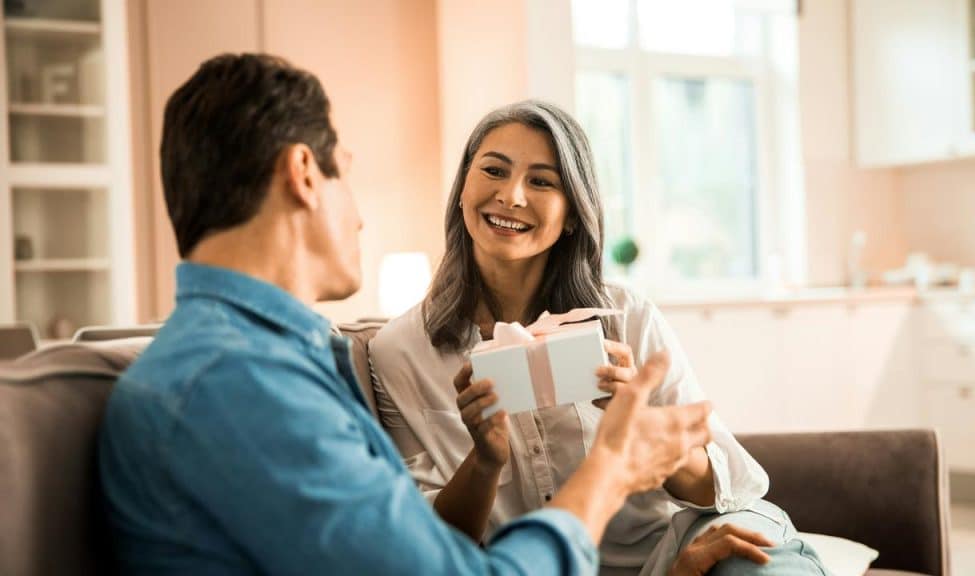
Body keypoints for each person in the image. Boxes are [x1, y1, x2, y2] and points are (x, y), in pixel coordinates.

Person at [97, 53, 723, 575]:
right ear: (304, 174)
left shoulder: (269, 361)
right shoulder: (242, 384)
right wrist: (611, 470)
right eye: (346, 176)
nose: (359, 218)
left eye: (542, 181)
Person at [368, 100, 830, 575]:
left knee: (751, 559)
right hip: (531, 566)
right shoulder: (401, 350)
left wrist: (639, 424)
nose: (511, 195)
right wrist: (485, 462)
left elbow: (720, 489)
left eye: (542, 181)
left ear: (572, 214)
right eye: (493, 170)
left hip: (669, 554)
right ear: (463, 187)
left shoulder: (626, 316)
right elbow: (427, 546)